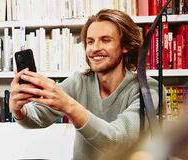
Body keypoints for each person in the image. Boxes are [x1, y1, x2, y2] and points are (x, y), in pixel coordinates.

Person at [9, 9, 160, 160]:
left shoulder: (148, 90)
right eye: (90, 41)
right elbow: (36, 118)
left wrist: (69, 106)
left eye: (105, 40)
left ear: (125, 46)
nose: (94, 48)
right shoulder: (79, 82)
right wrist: (18, 109)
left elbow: (117, 141)